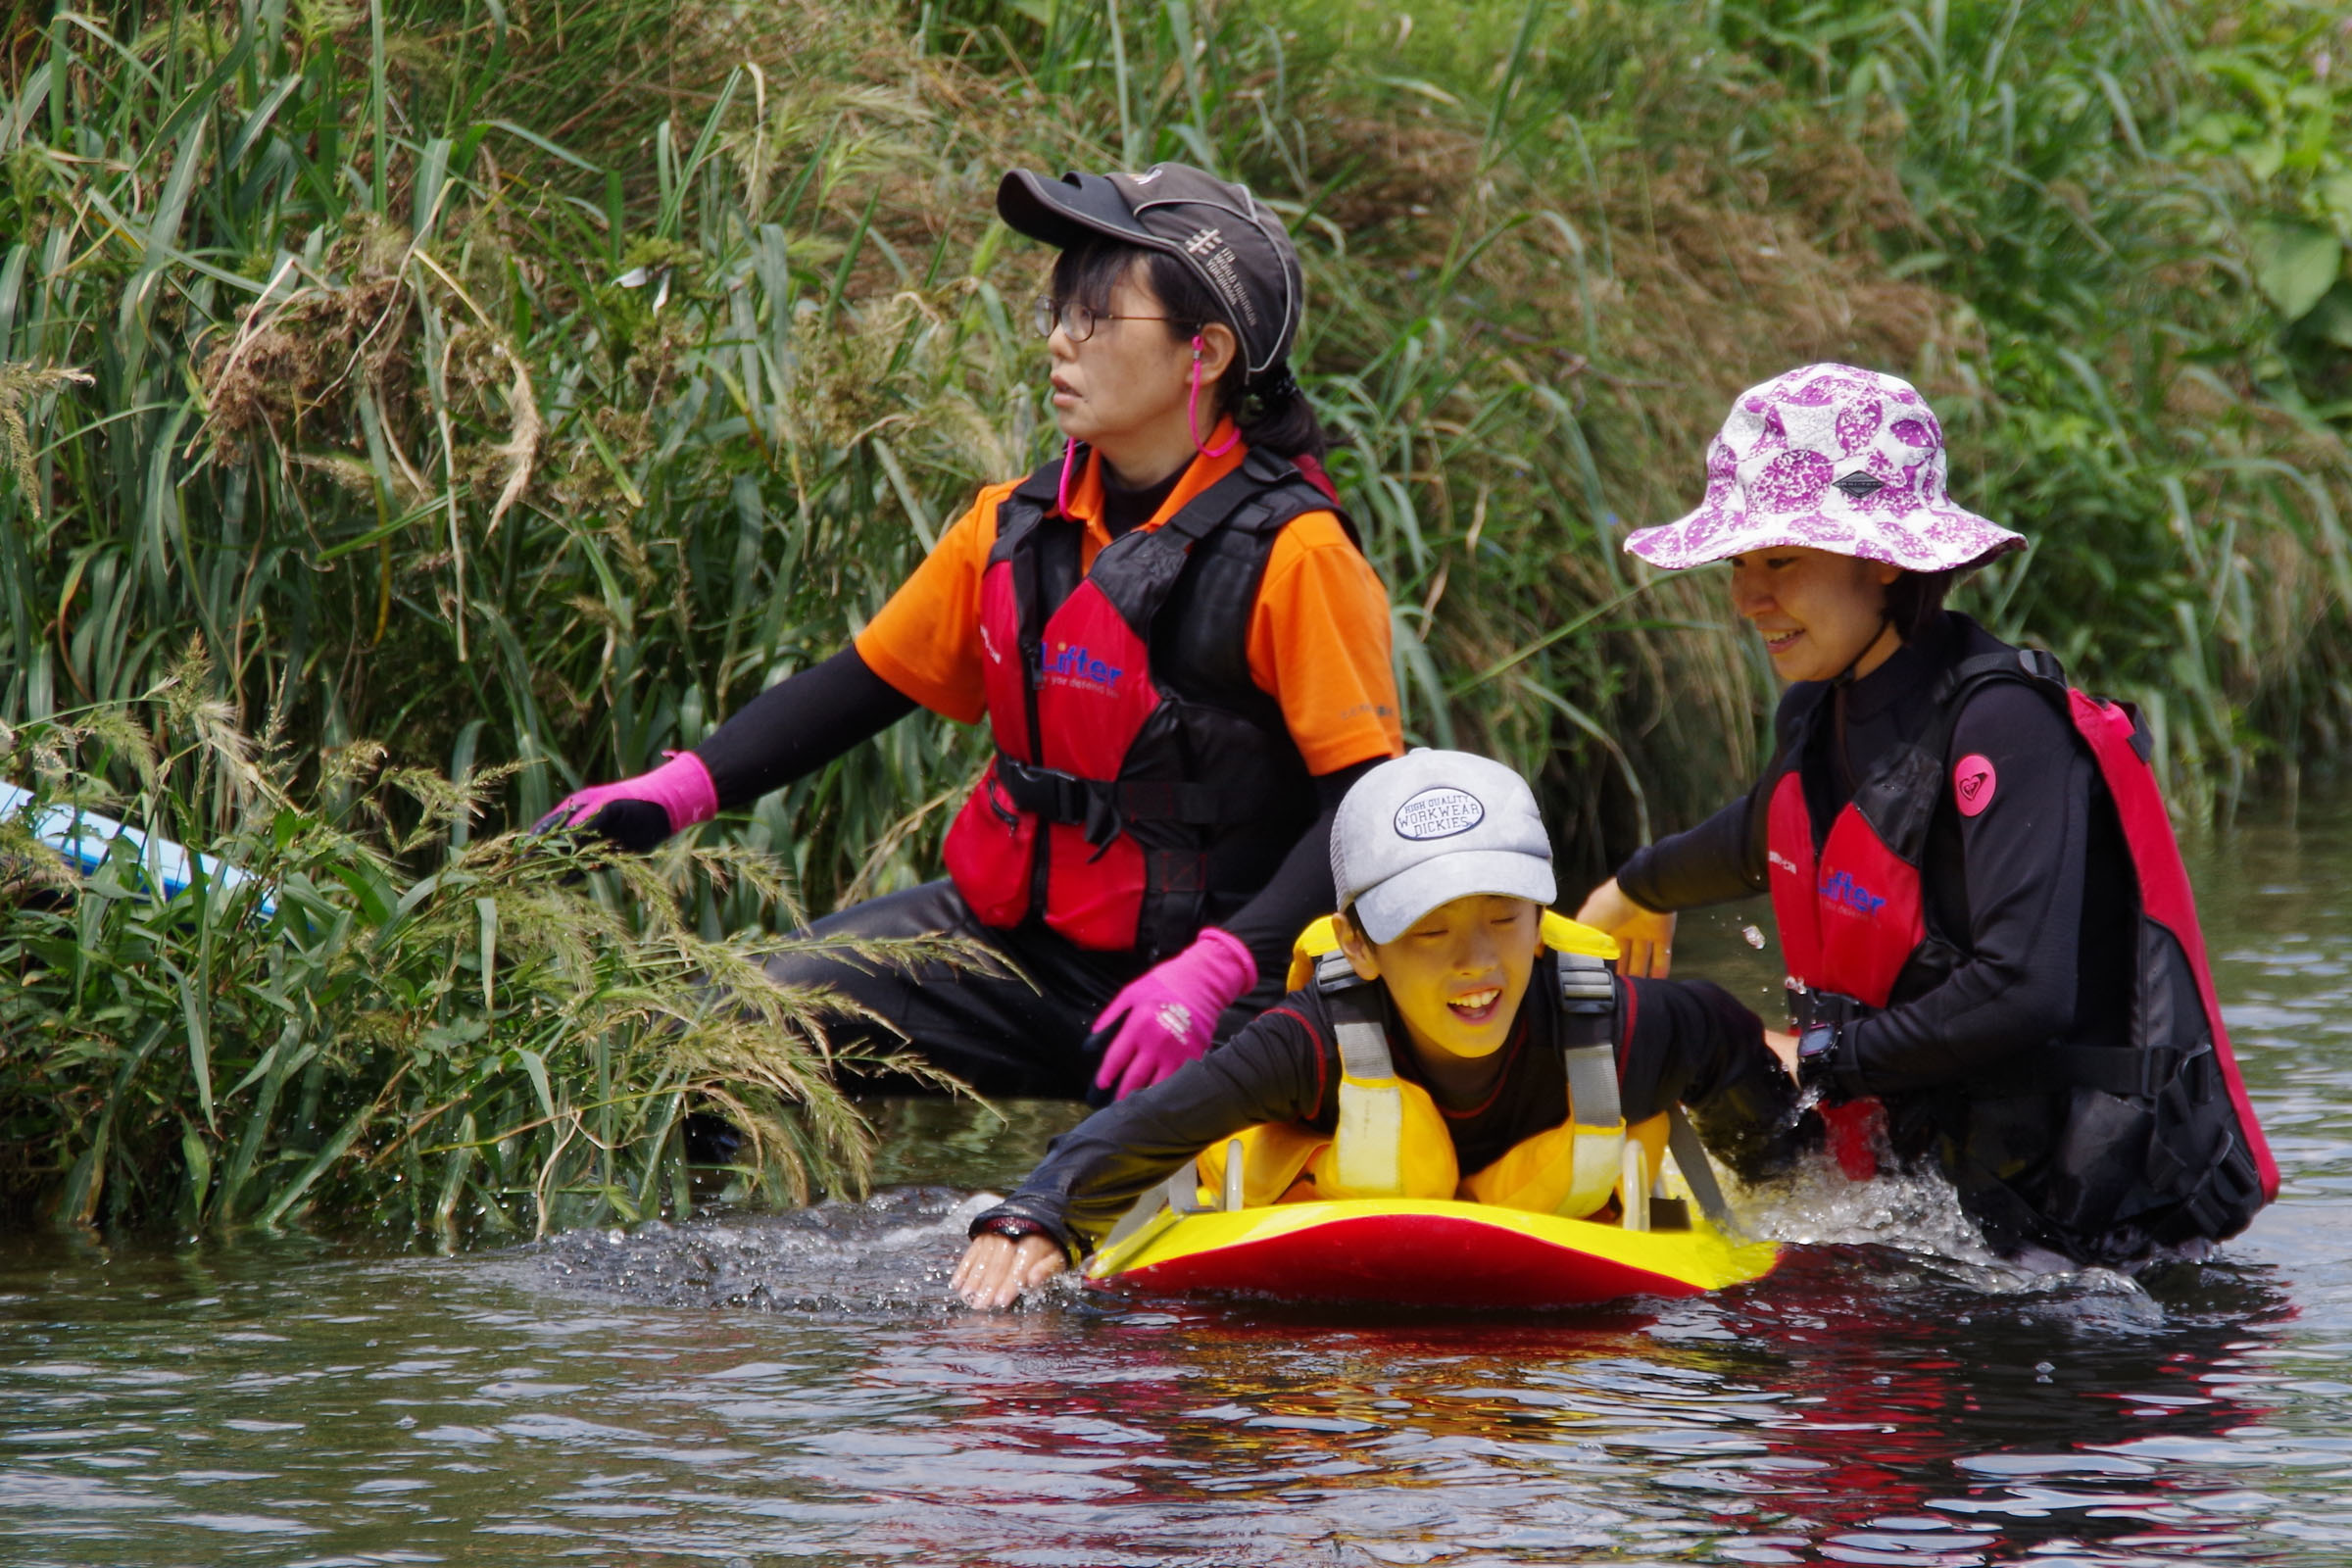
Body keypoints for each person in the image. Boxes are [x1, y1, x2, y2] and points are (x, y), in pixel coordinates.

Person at [539, 164, 1404, 1101]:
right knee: (718, 1037)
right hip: (1018, 956)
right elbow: (864, 684)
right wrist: (677, 791)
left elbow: (1363, 816)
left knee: (1082, 1206)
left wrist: (1221, 970)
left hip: (1222, 993)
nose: (1059, 345)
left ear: (1208, 351)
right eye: (1058, 314)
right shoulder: (1014, 527)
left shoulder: (1300, 555)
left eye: (1097, 319)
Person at [1573, 362, 2277, 1268]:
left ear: (1882, 557)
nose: (1748, 599)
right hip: (1929, 1188)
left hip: (2072, 1238)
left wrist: (1819, 1059)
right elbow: (1771, 835)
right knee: (1697, 1028)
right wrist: (1636, 888)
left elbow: (2026, 991)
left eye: (1780, 560)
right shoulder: (1820, 712)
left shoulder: (2005, 725)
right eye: (1738, 565)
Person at [952, 749, 1801, 1309]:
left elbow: (1725, 1038)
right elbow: (1158, 1123)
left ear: (1541, 918)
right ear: (1358, 943)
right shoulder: (1311, 1041)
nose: (1477, 964)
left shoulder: (1618, 1028)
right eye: (1428, 932)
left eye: (1504, 919)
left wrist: (1793, 1181)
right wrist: (1033, 1217)